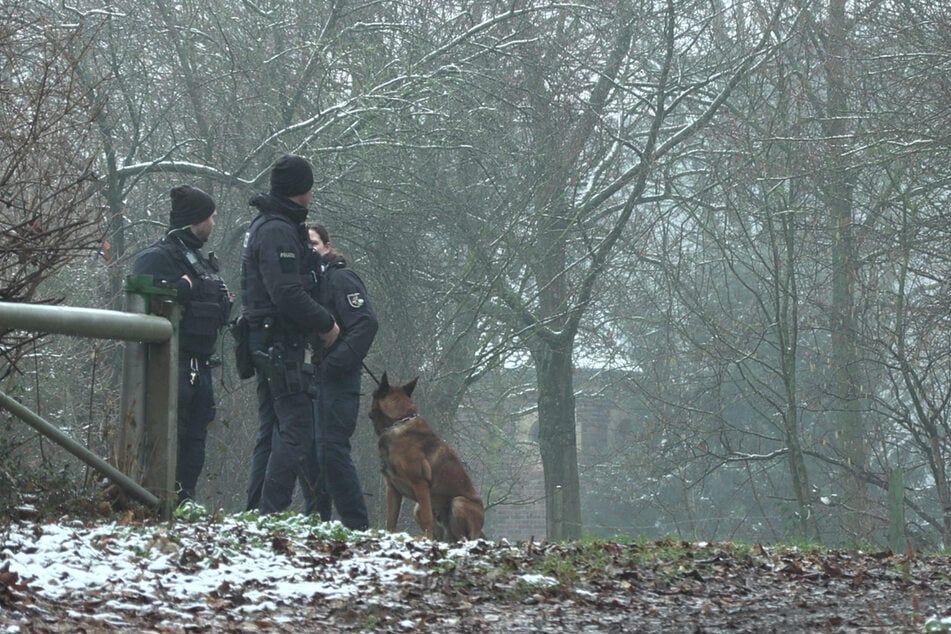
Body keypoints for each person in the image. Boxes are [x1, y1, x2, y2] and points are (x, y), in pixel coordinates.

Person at [240, 154, 339, 514]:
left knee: (271, 431)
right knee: (294, 429)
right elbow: (286, 293)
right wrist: (326, 323)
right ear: (303, 190)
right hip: (280, 342)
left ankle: (257, 513)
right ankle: (270, 514)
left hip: (267, 340)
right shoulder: (278, 230)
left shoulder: (270, 225)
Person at [131, 185, 232, 504]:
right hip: (168, 366)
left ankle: (182, 501)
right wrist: (180, 291)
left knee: (194, 438)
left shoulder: (200, 263)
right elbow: (142, 310)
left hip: (199, 365)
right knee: (167, 434)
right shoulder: (156, 259)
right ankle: (153, 500)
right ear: (195, 220)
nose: (214, 222)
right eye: (211, 217)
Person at [307, 223, 377, 530]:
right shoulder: (307, 283)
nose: (309, 248)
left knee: (332, 451)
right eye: (304, 244)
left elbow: (365, 324)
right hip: (312, 380)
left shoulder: (340, 278)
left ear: (326, 244)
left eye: (313, 242)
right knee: (311, 455)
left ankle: (356, 525)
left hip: (339, 381)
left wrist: (333, 364)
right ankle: (317, 521)